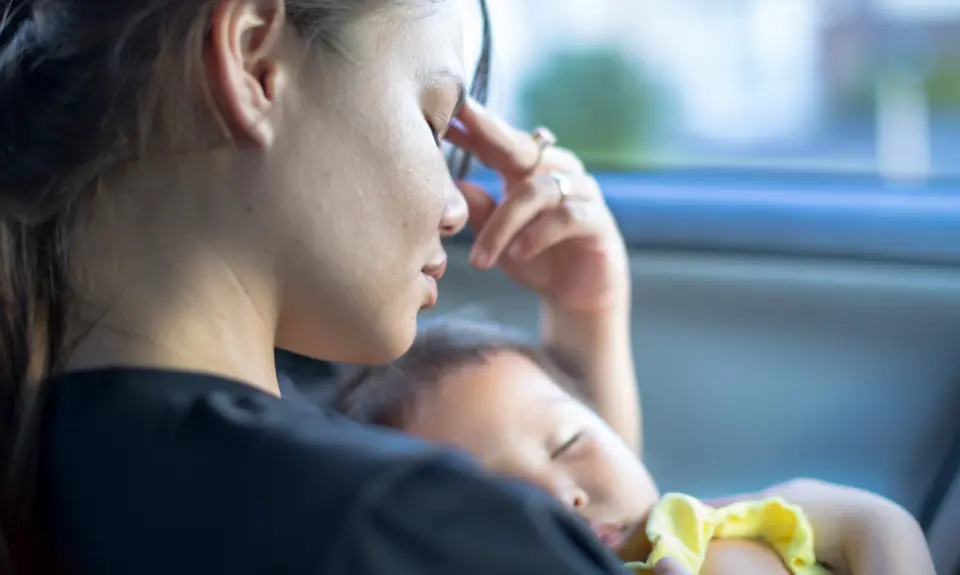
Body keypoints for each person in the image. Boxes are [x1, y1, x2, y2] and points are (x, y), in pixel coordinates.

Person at [0, 0, 687, 573]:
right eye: (432, 119)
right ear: (255, 61)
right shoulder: (410, 527)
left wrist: (583, 319)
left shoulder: (61, 454)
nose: (455, 208)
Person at [333, 103, 937, 575]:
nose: (558, 497)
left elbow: (877, 524)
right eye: (497, 499)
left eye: (570, 441)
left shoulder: (698, 523)